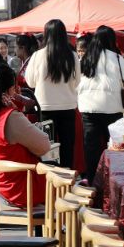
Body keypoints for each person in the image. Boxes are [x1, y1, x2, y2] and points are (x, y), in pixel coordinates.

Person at [0, 63, 52, 208]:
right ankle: (56, 229)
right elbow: (44, 146)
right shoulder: (10, 117)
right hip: (17, 190)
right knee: (65, 185)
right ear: (9, 90)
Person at [77, 25, 124, 179]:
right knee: (115, 146)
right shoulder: (117, 58)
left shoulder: (86, 56)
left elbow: (77, 81)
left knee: (91, 147)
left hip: (88, 107)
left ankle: (93, 180)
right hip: (112, 108)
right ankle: (113, 178)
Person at [25, 19, 80, 168]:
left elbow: (30, 82)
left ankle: (49, 183)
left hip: (45, 107)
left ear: (46, 34)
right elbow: (77, 81)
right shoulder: (72, 55)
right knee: (67, 146)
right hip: (68, 106)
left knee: (46, 148)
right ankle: (67, 181)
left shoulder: (37, 55)